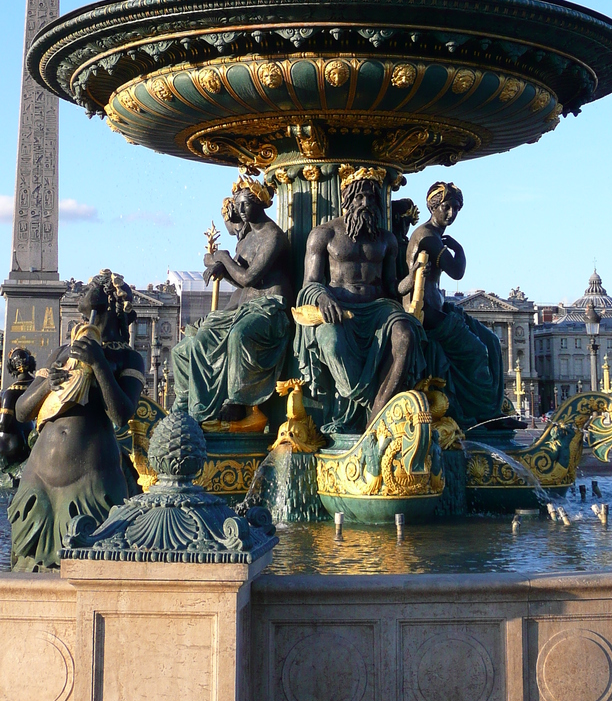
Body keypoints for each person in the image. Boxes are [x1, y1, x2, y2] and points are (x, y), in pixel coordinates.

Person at [10, 271, 145, 572]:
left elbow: (122, 415)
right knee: (28, 574)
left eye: (95, 312)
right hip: (38, 479)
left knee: (86, 572)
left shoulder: (128, 358)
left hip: (90, 482)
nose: (87, 321)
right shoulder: (60, 353)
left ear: (113, 306)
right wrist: (46, 385)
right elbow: (22, 411)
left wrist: (99, 365)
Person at [294, 166, 425, 433]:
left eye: (371, 198)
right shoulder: (324, 234)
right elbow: (309, 283)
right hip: (339, 309)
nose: (365, 203)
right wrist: (322, 298)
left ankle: (376, 415)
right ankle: (363, 406)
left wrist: (412, 277)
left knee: (405, 335)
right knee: (330, 341)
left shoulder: (387, 240)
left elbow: (391, 286)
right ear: (347, 200)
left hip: (379, 308)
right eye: (359, 197)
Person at [171, 176, 292, 431]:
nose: (240, 211)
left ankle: (239, 401)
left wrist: (223, 259)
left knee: (239, 334)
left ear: (260, 202)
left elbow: (248, 277)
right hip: (247, 307)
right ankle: (202, 410)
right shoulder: (246, 239)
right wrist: (220, 267)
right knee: (204, 335)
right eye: (237, 206)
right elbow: (241, 280)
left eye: (245, 204)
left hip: (271, 306)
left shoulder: (273, 237)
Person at [399, 182, 504, 430]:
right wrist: (459, 249)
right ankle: (483, 414)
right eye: (446, 207)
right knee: (477, 351)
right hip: (428, 314)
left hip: (440, 309)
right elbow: (457, 272)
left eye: (456, 209)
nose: (451, 214)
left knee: (492, 341)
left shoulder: (432, 235)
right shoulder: (428, 237)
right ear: (433, 206)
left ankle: (494, 410)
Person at [0, 347, 36, 469]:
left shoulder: (10, 393)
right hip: (33, 441)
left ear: (11, 366)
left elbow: (4, 424)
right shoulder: (38, 385)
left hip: (13, 446)